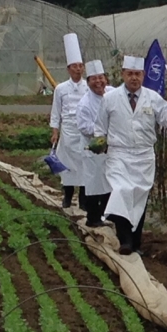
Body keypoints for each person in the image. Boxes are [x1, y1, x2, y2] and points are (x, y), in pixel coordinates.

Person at [94, 55, 167, 255]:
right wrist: (99, 144)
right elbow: (100, 128)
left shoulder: (152, 97)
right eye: (130, 74)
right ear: (123, 75)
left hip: (143, 156)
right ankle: (125, 240)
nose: (134, 78)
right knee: (122, 191)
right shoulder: (110, 98)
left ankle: (136, 242)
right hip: (119, 154)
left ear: (143, 75)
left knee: (138, 198)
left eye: (138, 74)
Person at [49, 33, 88, 208]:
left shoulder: (88, 87)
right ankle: (67, 197)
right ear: (68, 68)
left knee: (84, 166)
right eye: (75, 66)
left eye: (80, 66)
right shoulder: (61, 88)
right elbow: (56, 110)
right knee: (67, 166)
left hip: (84, 131)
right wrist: (55, 131)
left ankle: (83, 200)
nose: (78, 69)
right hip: (68, 132)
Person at [75, 60, 113, 227]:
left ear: (106, 79)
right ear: (88, 82)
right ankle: (93, 219)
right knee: (94, 186)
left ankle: (108, 216)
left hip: (112, 150)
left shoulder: (113, 93)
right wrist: (106, 130)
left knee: (110, 184)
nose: (99, 82)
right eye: (94, 79)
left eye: (101, 78)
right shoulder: (85, 103)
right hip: (94, 152)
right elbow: (84, 127)